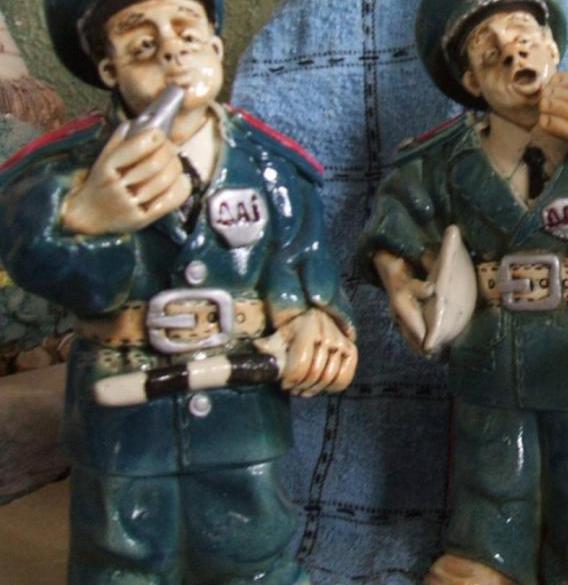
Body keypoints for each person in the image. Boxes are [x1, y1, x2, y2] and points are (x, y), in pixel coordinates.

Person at [0, 0, 358, 583]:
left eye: (188, 34)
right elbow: (35, 264)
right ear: (108, 68)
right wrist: (91, 218)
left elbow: (302, 258)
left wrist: (313, 318)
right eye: (143, 44)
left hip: (241, 408)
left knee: (252, 545)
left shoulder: (271, 165)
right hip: (123, 410)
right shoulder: (61, 172)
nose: (171, 50)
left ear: (215, 48)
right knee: (123, 551)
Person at [357, 1, 568, 584]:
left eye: (522, 33)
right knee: (493, 463)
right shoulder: (440, 160)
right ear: (471, 82)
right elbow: (397, 220)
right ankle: (486, 552)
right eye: (488, 49)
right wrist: (398, 277)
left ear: (552, 48)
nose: (510, 48)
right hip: (492, 340)